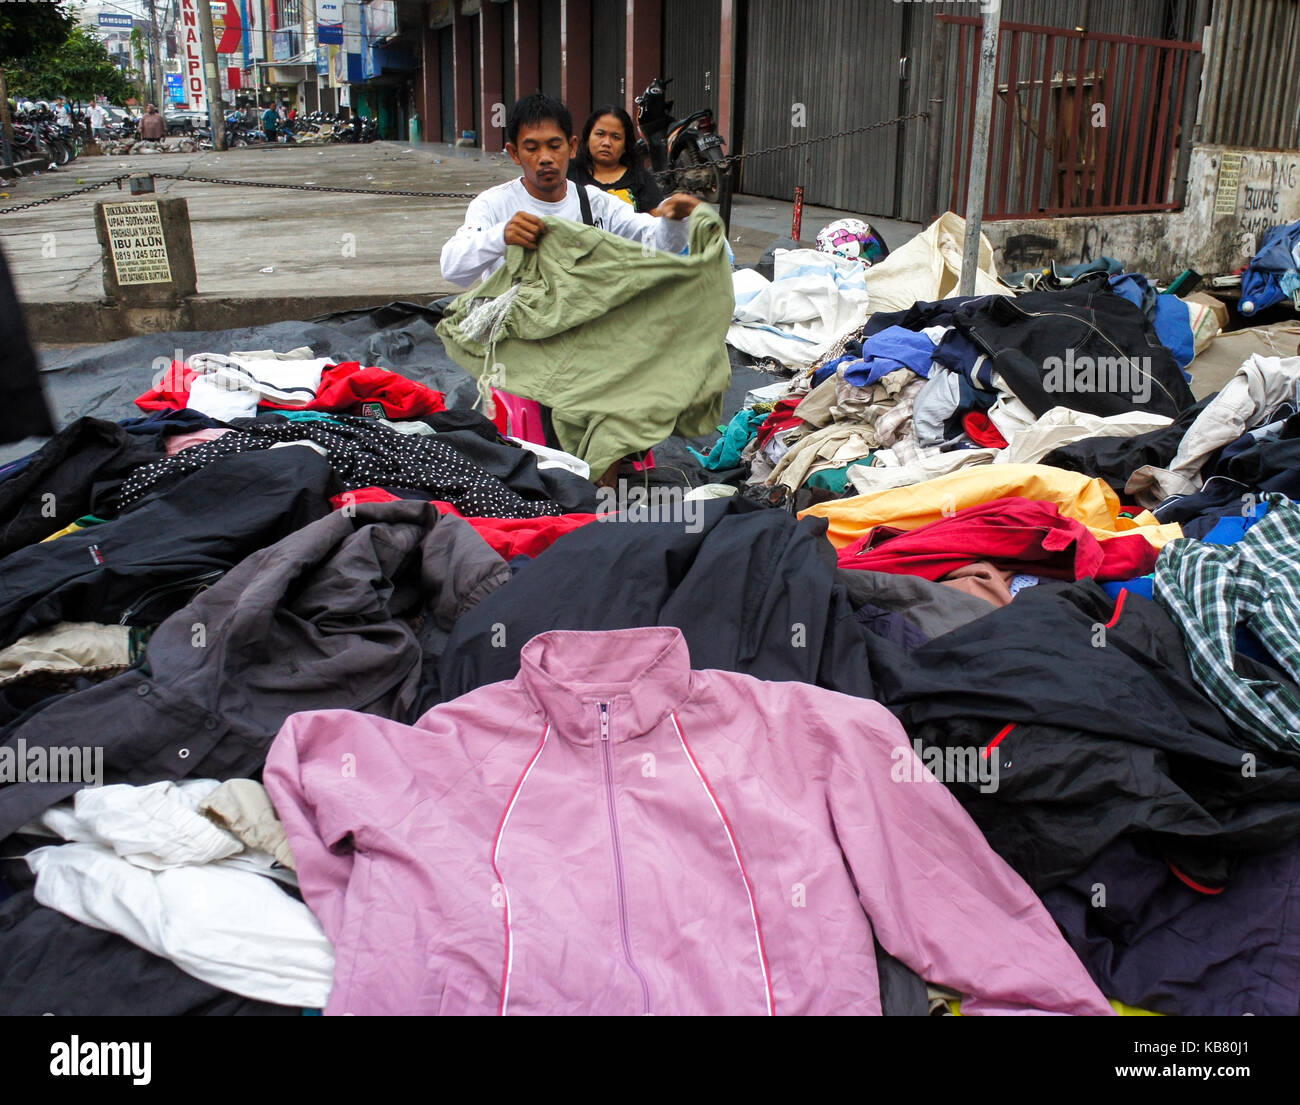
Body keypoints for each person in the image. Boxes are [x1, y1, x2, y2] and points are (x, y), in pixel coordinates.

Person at [439, 93, 700, 288]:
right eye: (532, 148)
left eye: (554, 146)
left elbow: (660, 244)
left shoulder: (597, 203)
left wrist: (675, 220)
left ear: (572, 147)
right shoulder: (493, 205)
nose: (545, 158)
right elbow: (453, 268)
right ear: (514, 153)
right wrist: (501, 236)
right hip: (517, 342)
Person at [568, 105, 664, 214]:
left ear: (625, 146)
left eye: (616, 137)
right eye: (600, 134)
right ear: (587, 138)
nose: (606, 143)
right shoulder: (569, 174)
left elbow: (657, 222)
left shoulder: (641, 179)